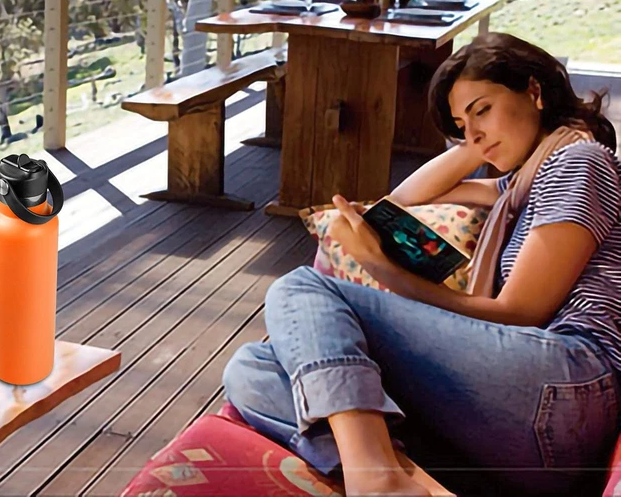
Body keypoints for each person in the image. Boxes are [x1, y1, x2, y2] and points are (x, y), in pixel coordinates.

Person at [223, 32, 621, 497]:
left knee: (301, 288)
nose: (473, 132)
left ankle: (377, 478)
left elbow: (521, 311)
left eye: (483, 109)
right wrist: (478, 141)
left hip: (572, 383)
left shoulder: (578, 161)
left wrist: (382, 268)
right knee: (253, 369)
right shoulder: (517, 188)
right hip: (523, 416)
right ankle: (415, 483)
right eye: (461, 123)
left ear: (534, 91)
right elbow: (405, 200)